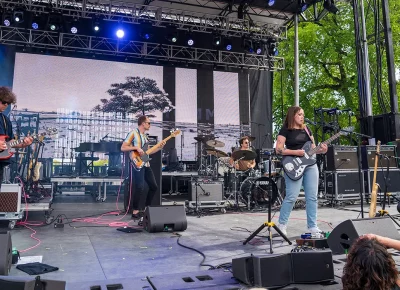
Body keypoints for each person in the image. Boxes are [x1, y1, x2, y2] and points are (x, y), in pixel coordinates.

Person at [275, 106, 327, 235]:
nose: (302, 116)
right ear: (293, 115)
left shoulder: (307, 129)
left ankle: (312, 226)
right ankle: (282, 225)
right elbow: (278, 149)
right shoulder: (286, 130)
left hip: (310, 165)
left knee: (312, 197)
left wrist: (321, 150)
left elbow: (313, 148)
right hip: (293, 164)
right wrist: (295, 152)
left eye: (303, 114)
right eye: (299, 114)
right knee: (291, 196)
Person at [121, 115, 165, 219]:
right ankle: (135, 211)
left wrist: (159, 148)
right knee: (140, 187)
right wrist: (136, 147)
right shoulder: (133, 133)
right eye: (148, 123)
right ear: (143, 123)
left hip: (146, 163)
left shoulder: (145, 137)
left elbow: (149, 152)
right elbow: (123, 147)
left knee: (154, 186)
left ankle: (146, 209)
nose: (150, 125)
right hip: (137, 163)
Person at [0, 87, 33, 185]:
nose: (6, 105)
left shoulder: (5, 120)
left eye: (8, 103)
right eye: (4, 102)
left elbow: (9, 142)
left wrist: (23, 144)